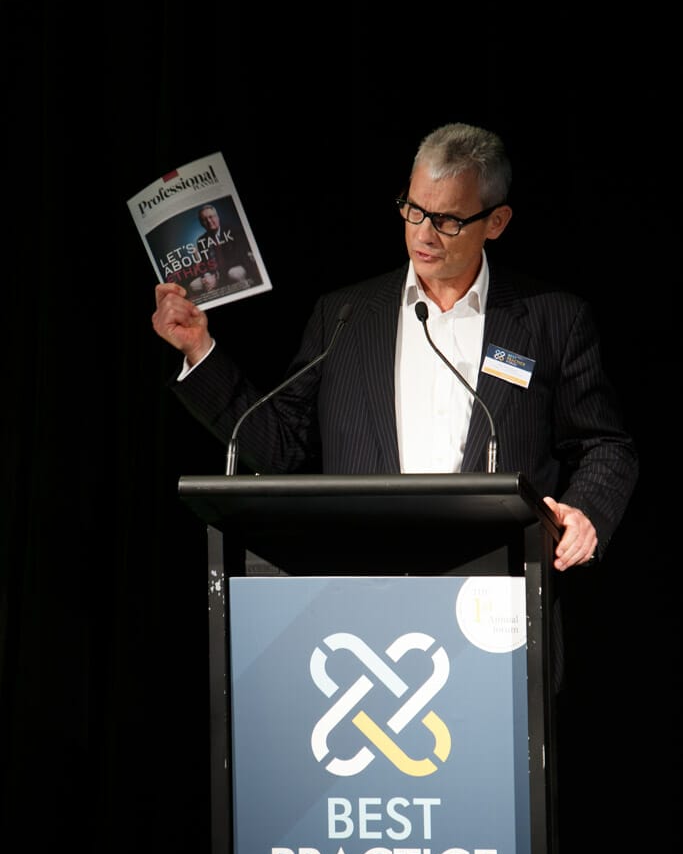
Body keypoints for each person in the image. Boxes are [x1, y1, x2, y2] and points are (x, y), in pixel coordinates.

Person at [152, 122, 638, 581]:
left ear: (496, 222)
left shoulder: (552, 320)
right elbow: (281, 450)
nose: (423, 233)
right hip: (364, 588)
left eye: (446, 220)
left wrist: (584, 512)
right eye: (414, 209)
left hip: (499, 593)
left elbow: (605, 445)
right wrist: (199, 349)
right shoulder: (343, 317)